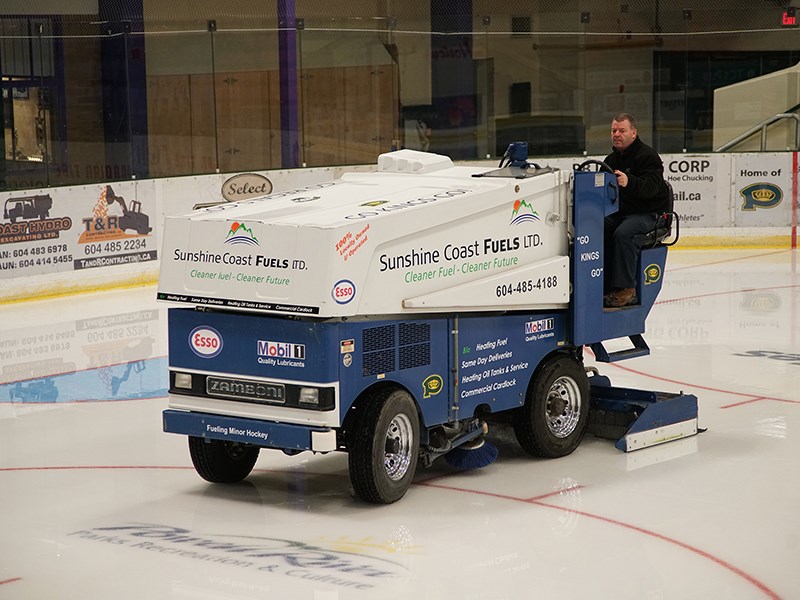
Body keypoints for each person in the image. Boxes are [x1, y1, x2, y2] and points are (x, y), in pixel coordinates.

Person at [602, 113, 670, 308]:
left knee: (625, 233)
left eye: (622, 130)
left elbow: (652, 188)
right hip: (622, 212)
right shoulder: (611, 159)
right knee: (596, 227)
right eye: (614, 130)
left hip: (650, 213)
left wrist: (629, 181)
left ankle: (626, 290)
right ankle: (600, 282)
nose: (617, 134)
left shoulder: (648, 157)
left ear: (633, 133)